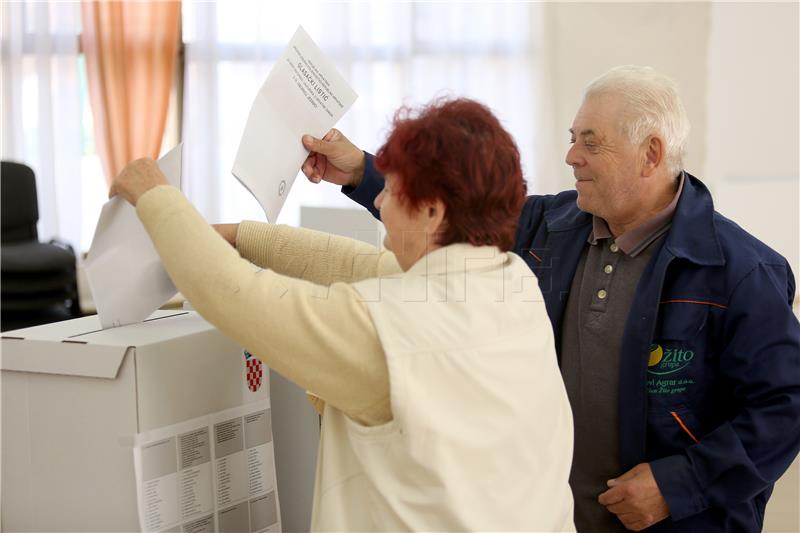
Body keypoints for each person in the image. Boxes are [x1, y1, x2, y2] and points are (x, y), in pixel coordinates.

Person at [300, 66, 800, 532]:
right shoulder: (547, 229)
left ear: (650, 153)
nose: (571, 157)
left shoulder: (742, 272)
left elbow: (784, 407)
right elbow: (446, 211)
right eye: (571, 139)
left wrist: (678, 484)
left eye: (590, 142)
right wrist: (361, 171)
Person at [111, 98, 576, 531]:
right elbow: (362, 266)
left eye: (392, 189)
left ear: (433, 211)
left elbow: (237, 297)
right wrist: (244, 236)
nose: (378, 200)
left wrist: (156, 197)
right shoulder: (511, 282)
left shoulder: (392, 332)